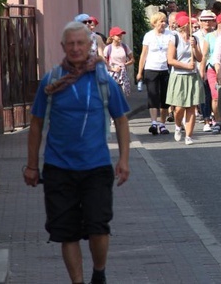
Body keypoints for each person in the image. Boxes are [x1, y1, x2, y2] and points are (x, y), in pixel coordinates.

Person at [24, 21, 130, 284]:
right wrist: (32, 165)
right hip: (59, 169)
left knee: (98, 227)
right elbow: (36, 123)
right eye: (70, 44)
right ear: (63, 47)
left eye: (80, 43)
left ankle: (99, 272)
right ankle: (77, 282)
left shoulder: (103, 80)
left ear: (89, 45)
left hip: (96, 168)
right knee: (66, 232)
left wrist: (124, 159)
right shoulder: (52, 80)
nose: (75, 48)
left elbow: (121, 120)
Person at [166, 12, 205, 145]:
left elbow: (200, 58)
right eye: (190, 24)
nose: (193, 26)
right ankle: (178, 126)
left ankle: (188, 136)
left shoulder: (195, 39)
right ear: (184, 26)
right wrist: (186, 65)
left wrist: (194, 47)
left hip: (193, 76)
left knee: (191, 107)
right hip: (179, 76)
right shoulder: (174, 38)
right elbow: (170, 60)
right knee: (179, 108)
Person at [136, 12, 171, 136]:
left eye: (165, 21)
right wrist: (140, 71)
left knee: (165, 98)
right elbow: (144, 54)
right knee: (153, 95)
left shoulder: (170, 35)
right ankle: (153, 123)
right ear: (154, 23)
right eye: (161, 21)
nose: (163, 24)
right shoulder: (148, 36)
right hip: (151, 68)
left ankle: (162, 124)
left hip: (165, 69)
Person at [104, 26, 134, 98]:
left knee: (123, 95)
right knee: (113, 94)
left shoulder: (124, 47)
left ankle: (122, 108)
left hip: (123, 74)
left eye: (121, 35)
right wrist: (112, 69)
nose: (120, 37)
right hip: (112, 74)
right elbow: (104, 63)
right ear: (112, 37)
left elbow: (132, 59)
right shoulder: (108, 48)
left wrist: (125, 64)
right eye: (118, 35)